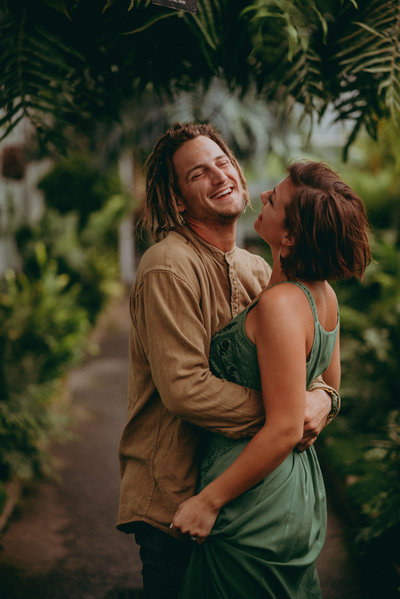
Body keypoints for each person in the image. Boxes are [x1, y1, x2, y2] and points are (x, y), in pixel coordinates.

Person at [117, 123, 340, 598]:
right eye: (198, 173)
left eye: (222, 163)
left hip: (241, 494)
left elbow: (306, 369)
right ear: (178, 201)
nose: (220, 176)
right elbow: (185, 388)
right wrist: (283, 419)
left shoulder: (256, 267)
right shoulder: (167, 265)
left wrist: (323, 399)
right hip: (175, 497)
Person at [170, 160, 371, 598]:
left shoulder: (281, 305)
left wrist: (208, 502)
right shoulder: (324, 296)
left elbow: (284, 427)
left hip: (253, 497)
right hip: (288, 482)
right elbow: (330, 387)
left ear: (290, 237)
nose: (262, 196)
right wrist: (324, 402)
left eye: (275, 199)